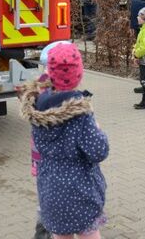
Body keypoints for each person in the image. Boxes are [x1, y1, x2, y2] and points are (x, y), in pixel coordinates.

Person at [21, 43, 109, 239]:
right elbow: (98, 151)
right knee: (89, 233)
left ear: (50, 73)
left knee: (60, 235)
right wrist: (99, 131)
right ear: (79, 74)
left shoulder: (38, 109)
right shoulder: (80, 115)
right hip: (81, 190)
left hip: (50, 190)